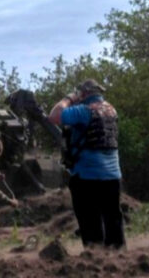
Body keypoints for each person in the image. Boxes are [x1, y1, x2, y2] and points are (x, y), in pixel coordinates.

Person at [48, 79, 125, 249]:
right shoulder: (112, 110)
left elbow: (54, 116)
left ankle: (94, 262)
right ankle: (119, 261)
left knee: (90, 221)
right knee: (113, 219)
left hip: (87, 176)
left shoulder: (83, 111)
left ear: (83, 94)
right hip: (112, 176)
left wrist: (68, 98)